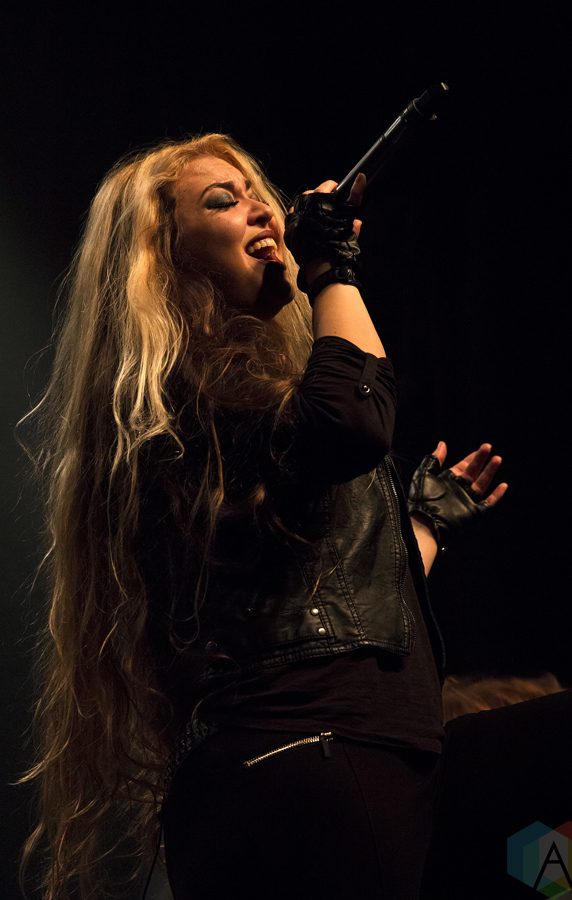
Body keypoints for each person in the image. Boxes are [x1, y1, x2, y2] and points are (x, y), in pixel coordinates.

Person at [20, 133, 506, 900]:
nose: (264, 213)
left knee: (549, 823)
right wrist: (332, 269)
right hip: (312, 759)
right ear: (164, 258)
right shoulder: (191, 391)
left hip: (317, 763)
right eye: (223, 200)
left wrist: (423, 528)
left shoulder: (251, 402)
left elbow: (315, 591)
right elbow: (355, 420)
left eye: (261, 196)